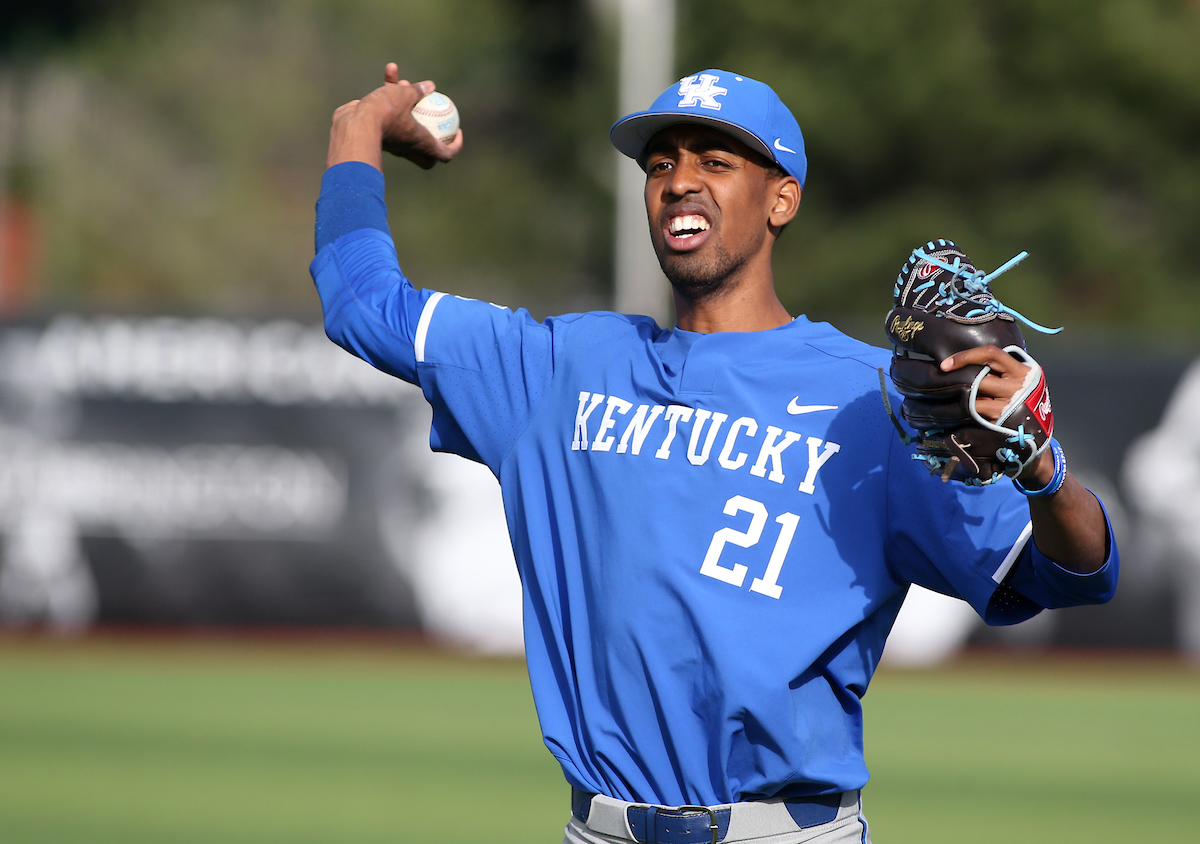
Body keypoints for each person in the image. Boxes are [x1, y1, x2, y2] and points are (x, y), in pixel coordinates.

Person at [311, 64, 1117, 844]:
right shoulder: (560, 369)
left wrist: (1042, 470)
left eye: (716, 161)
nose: (679, 180)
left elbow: (1073, 573)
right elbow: (363, 304)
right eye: (661, 163)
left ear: (782, 200)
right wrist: (358, 131)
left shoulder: (870, 400)